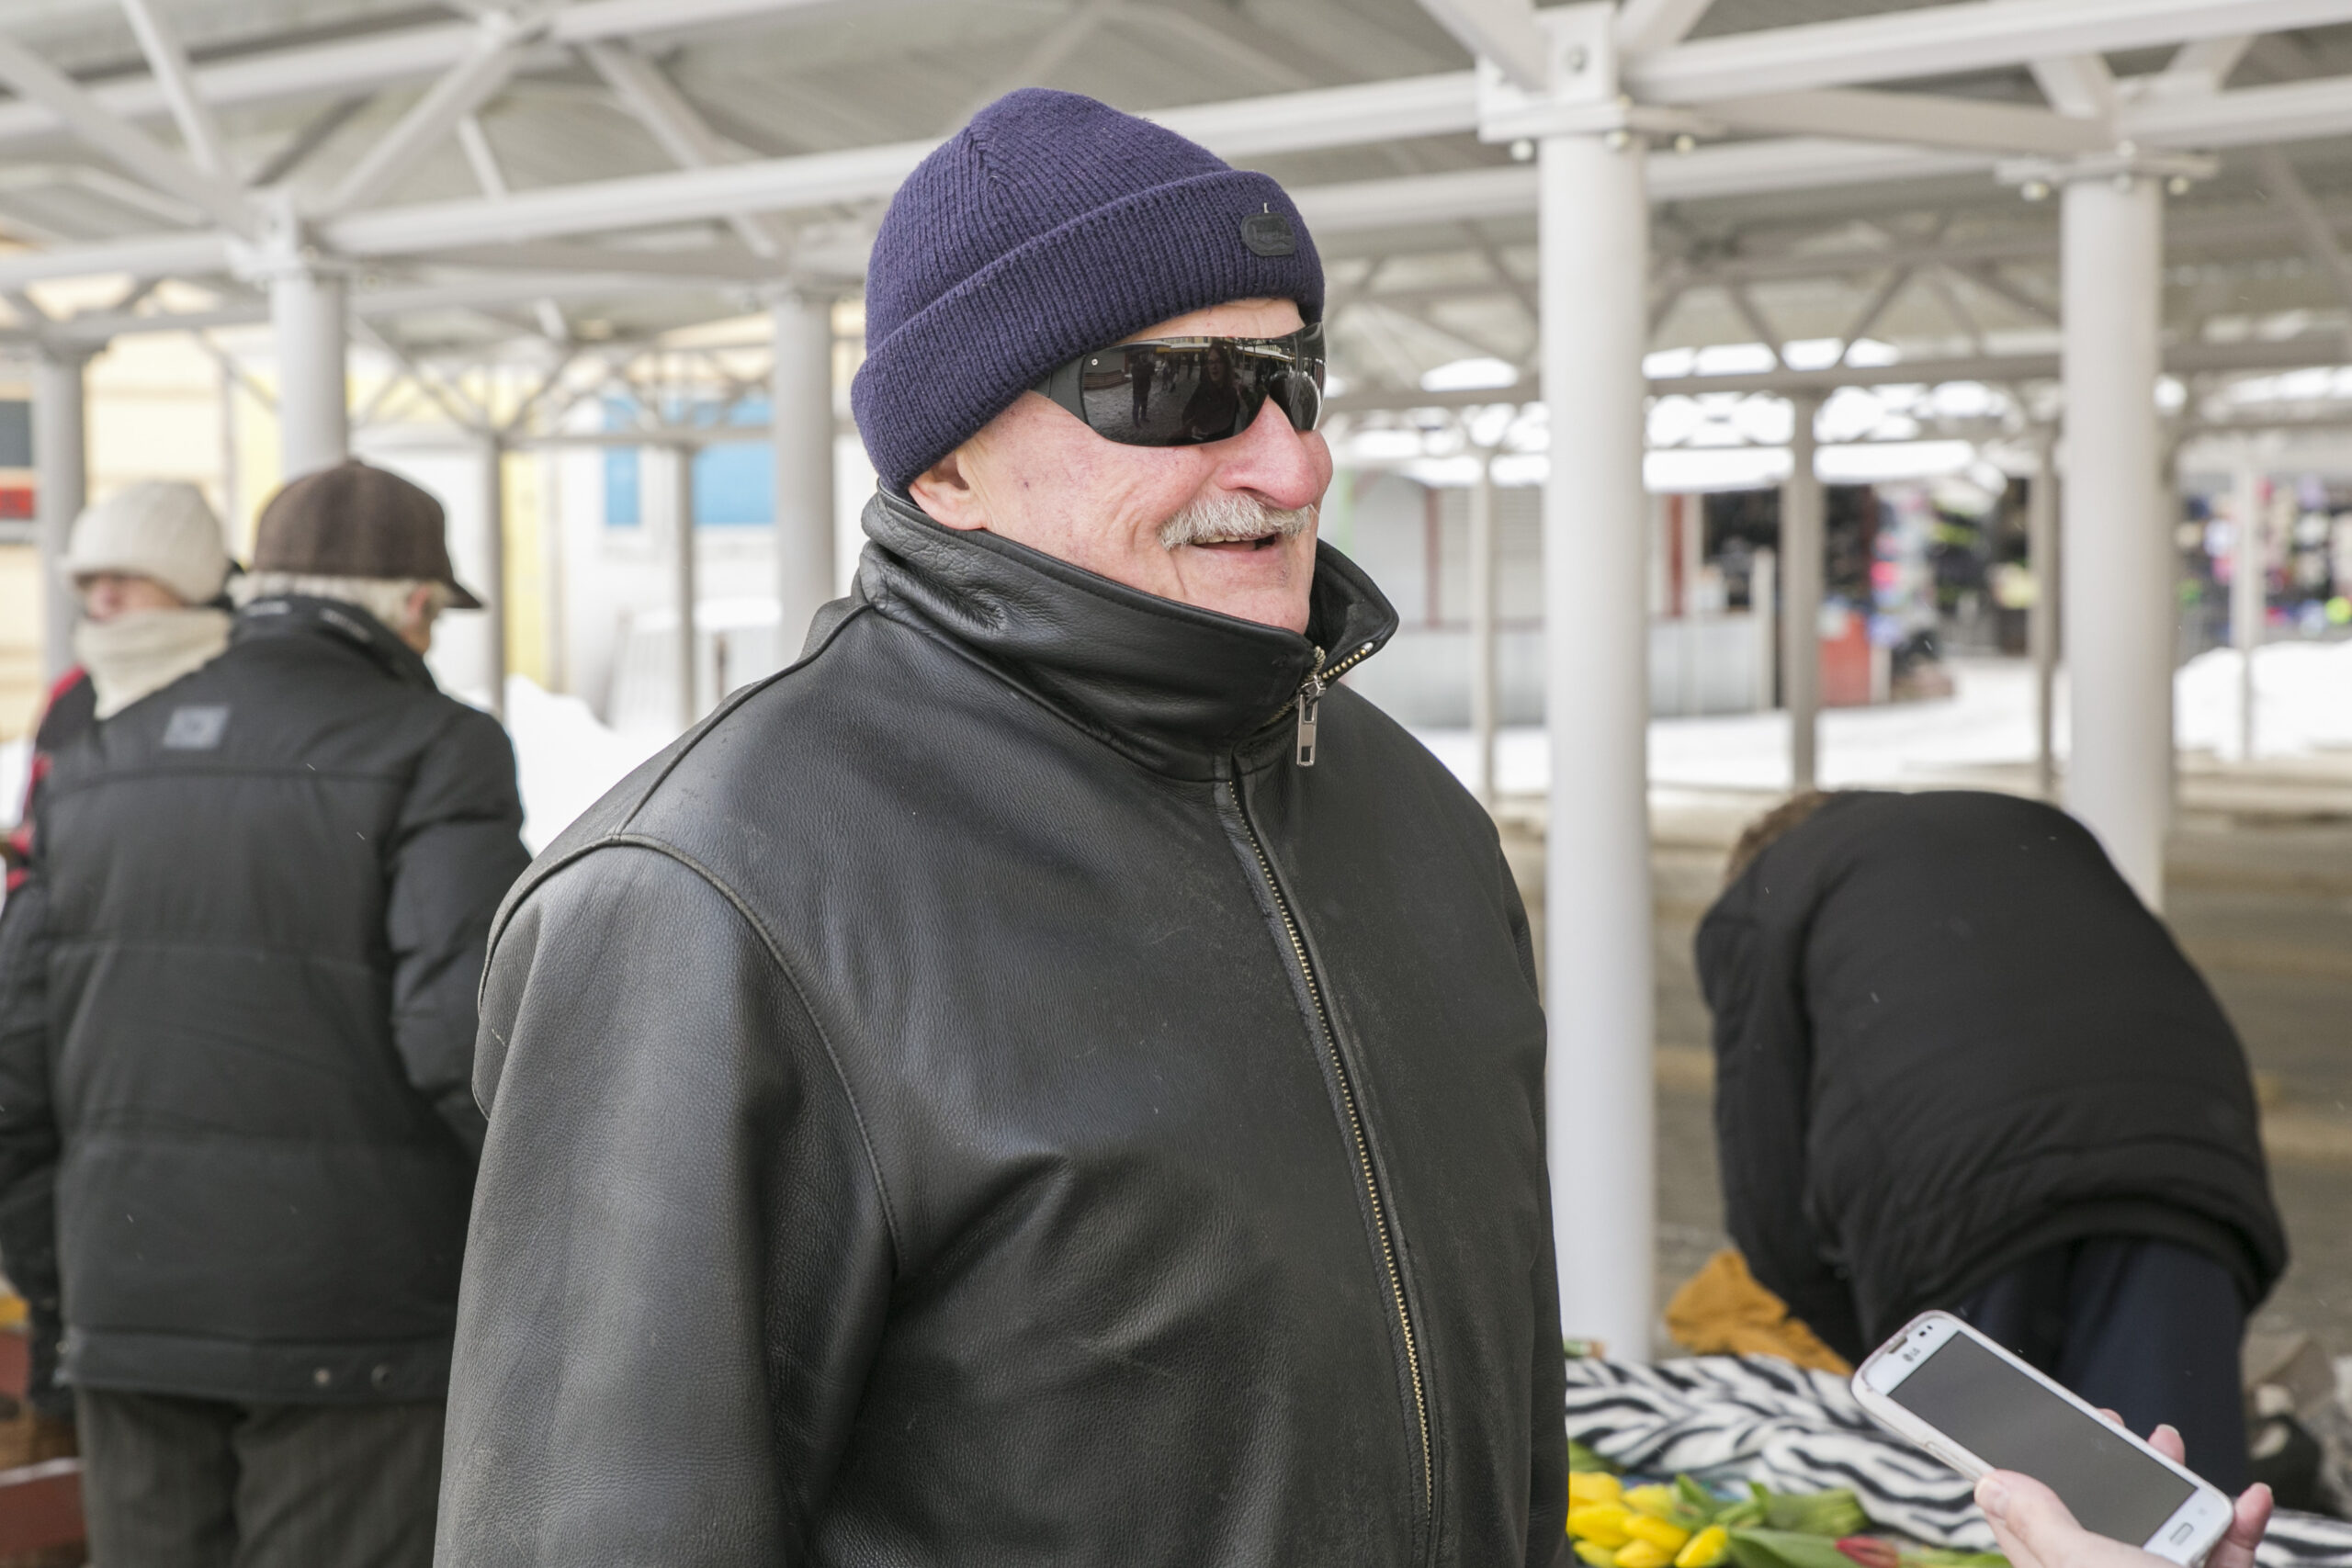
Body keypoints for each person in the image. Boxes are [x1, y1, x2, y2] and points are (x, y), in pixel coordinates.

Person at [438, 89, 1563, 1567]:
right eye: (1178, 392)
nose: (1294, 464)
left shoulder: (1416, 819)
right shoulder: (711, 898)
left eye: (1296, 380)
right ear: (947, 464)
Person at [0, 457, 531, 1566]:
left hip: (130, 1309)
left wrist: (70, 1294)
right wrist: (551, 1240)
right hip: (356, 1323)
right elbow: (466, 1045)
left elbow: (16, 1066)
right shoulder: (436, 748)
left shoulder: (96, 757)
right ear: (413, 605)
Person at [1695, 789, 2284, 1494]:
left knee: (1992, 1496)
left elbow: (1766, 1191)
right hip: (2180, 1153)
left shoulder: (1767, 888)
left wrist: (1885, 1355)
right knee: (2177, 1493)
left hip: (1959, 1193)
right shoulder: (2030, 827)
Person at [3, 480, 234, 897]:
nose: (105, 596)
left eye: (127, 576)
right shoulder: (73, 695)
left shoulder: (241, 687)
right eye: (91, 580)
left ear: (190, 580)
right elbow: (34, 841)